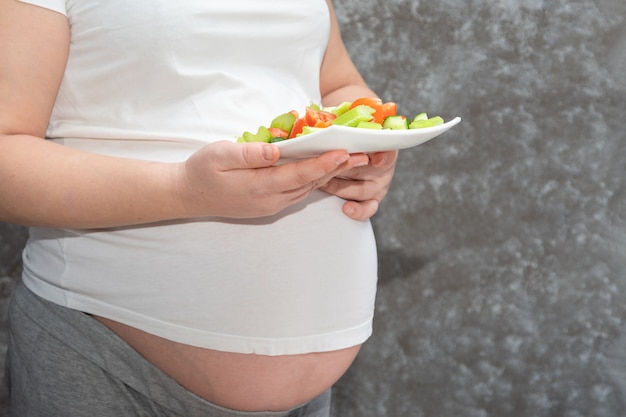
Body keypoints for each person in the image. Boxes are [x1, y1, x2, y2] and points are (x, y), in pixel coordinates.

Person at [0, 0, 398, 416]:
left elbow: (338, 87)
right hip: (105, 357)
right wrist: (184, 190)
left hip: (309, 387)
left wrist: (369, 145)